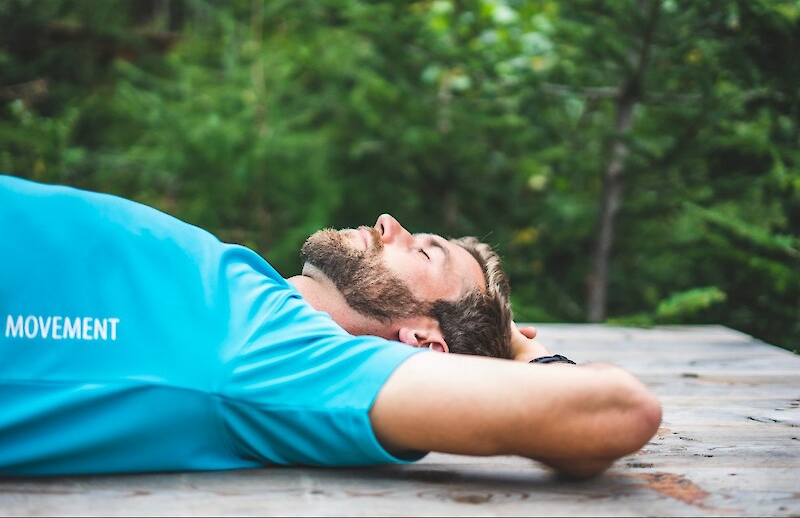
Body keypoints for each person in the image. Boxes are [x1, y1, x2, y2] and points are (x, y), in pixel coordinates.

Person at [0, 176, 662, 479]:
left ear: (425, 342)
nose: (387, 223)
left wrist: (510, 342)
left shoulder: (287, 359)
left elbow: (617, 410)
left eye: (422, 250)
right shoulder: (254, 295)